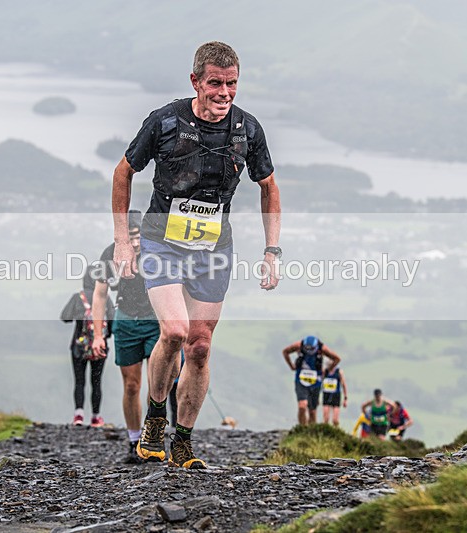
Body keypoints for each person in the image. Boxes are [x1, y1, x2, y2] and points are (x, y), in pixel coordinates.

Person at [112, 41, 281, 469]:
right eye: (215, 83)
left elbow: (269, 187)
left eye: (232, 84)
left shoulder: (248, 129)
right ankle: (154, 417)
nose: (224, 92)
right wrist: (122, 240)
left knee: (201, 346)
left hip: (212, 248)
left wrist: (271, 250)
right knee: (172, 331)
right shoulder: (165, 120)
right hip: (161, 240)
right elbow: (124, 171)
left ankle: (182, 441)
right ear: (195, 82)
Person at [90, 210, 161, 464]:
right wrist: (98, 335)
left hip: (156, 320)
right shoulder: (111, 252)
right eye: (130, 237)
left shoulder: (157, 249)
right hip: (127, 319)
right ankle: (133, 441)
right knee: (132, 386)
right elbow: (99, 295)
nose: (135, 243)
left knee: (157, 384)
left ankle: (153, 439)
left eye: (138, 237)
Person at [60, 274, 114, 428]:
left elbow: (65, 317)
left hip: (79, 346)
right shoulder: (105, 299)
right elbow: (113, 319)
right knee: (96, 382)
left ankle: (78, 414)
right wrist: (105, 335)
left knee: (79, 381)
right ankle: (96, 417)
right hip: (100, 347)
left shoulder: (78, 297)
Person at [282, 336, 342, 425]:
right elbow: (285, 351)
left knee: (312, 411)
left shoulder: (322, 348)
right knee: (302, 406)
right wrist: (291, 366)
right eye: (307, 349)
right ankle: (302, 429)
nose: (309, 351)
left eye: (312, 349)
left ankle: (310, 433)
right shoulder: (299, 345)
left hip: (315, 382)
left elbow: (337, 359)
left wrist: (327, 370)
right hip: (301, 380)